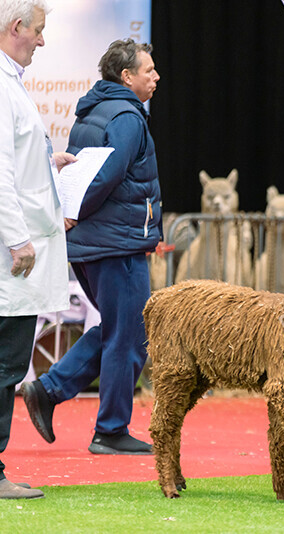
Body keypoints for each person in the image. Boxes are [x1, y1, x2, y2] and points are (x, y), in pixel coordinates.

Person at [21, 38, 162, 455]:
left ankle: (50, 390)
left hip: (93, 243)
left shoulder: (94, 109)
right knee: (130, 336)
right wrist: (76, 212)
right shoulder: (128, 117)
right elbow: (106, 177)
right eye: (148, 70)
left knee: (121, 329)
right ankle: (111, 430)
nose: (156, 77)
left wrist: (74, 216)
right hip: (114, 245)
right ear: (126, 76)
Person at [0, 0, 76, 499]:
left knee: (8, 363)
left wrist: (49, 164)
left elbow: (17, 161)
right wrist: (17, 238)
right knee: (6, 365)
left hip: (16, 247)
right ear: (16, 27)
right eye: (40, 31)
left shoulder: (12, 86)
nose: (44, 41)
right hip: (12, 254)